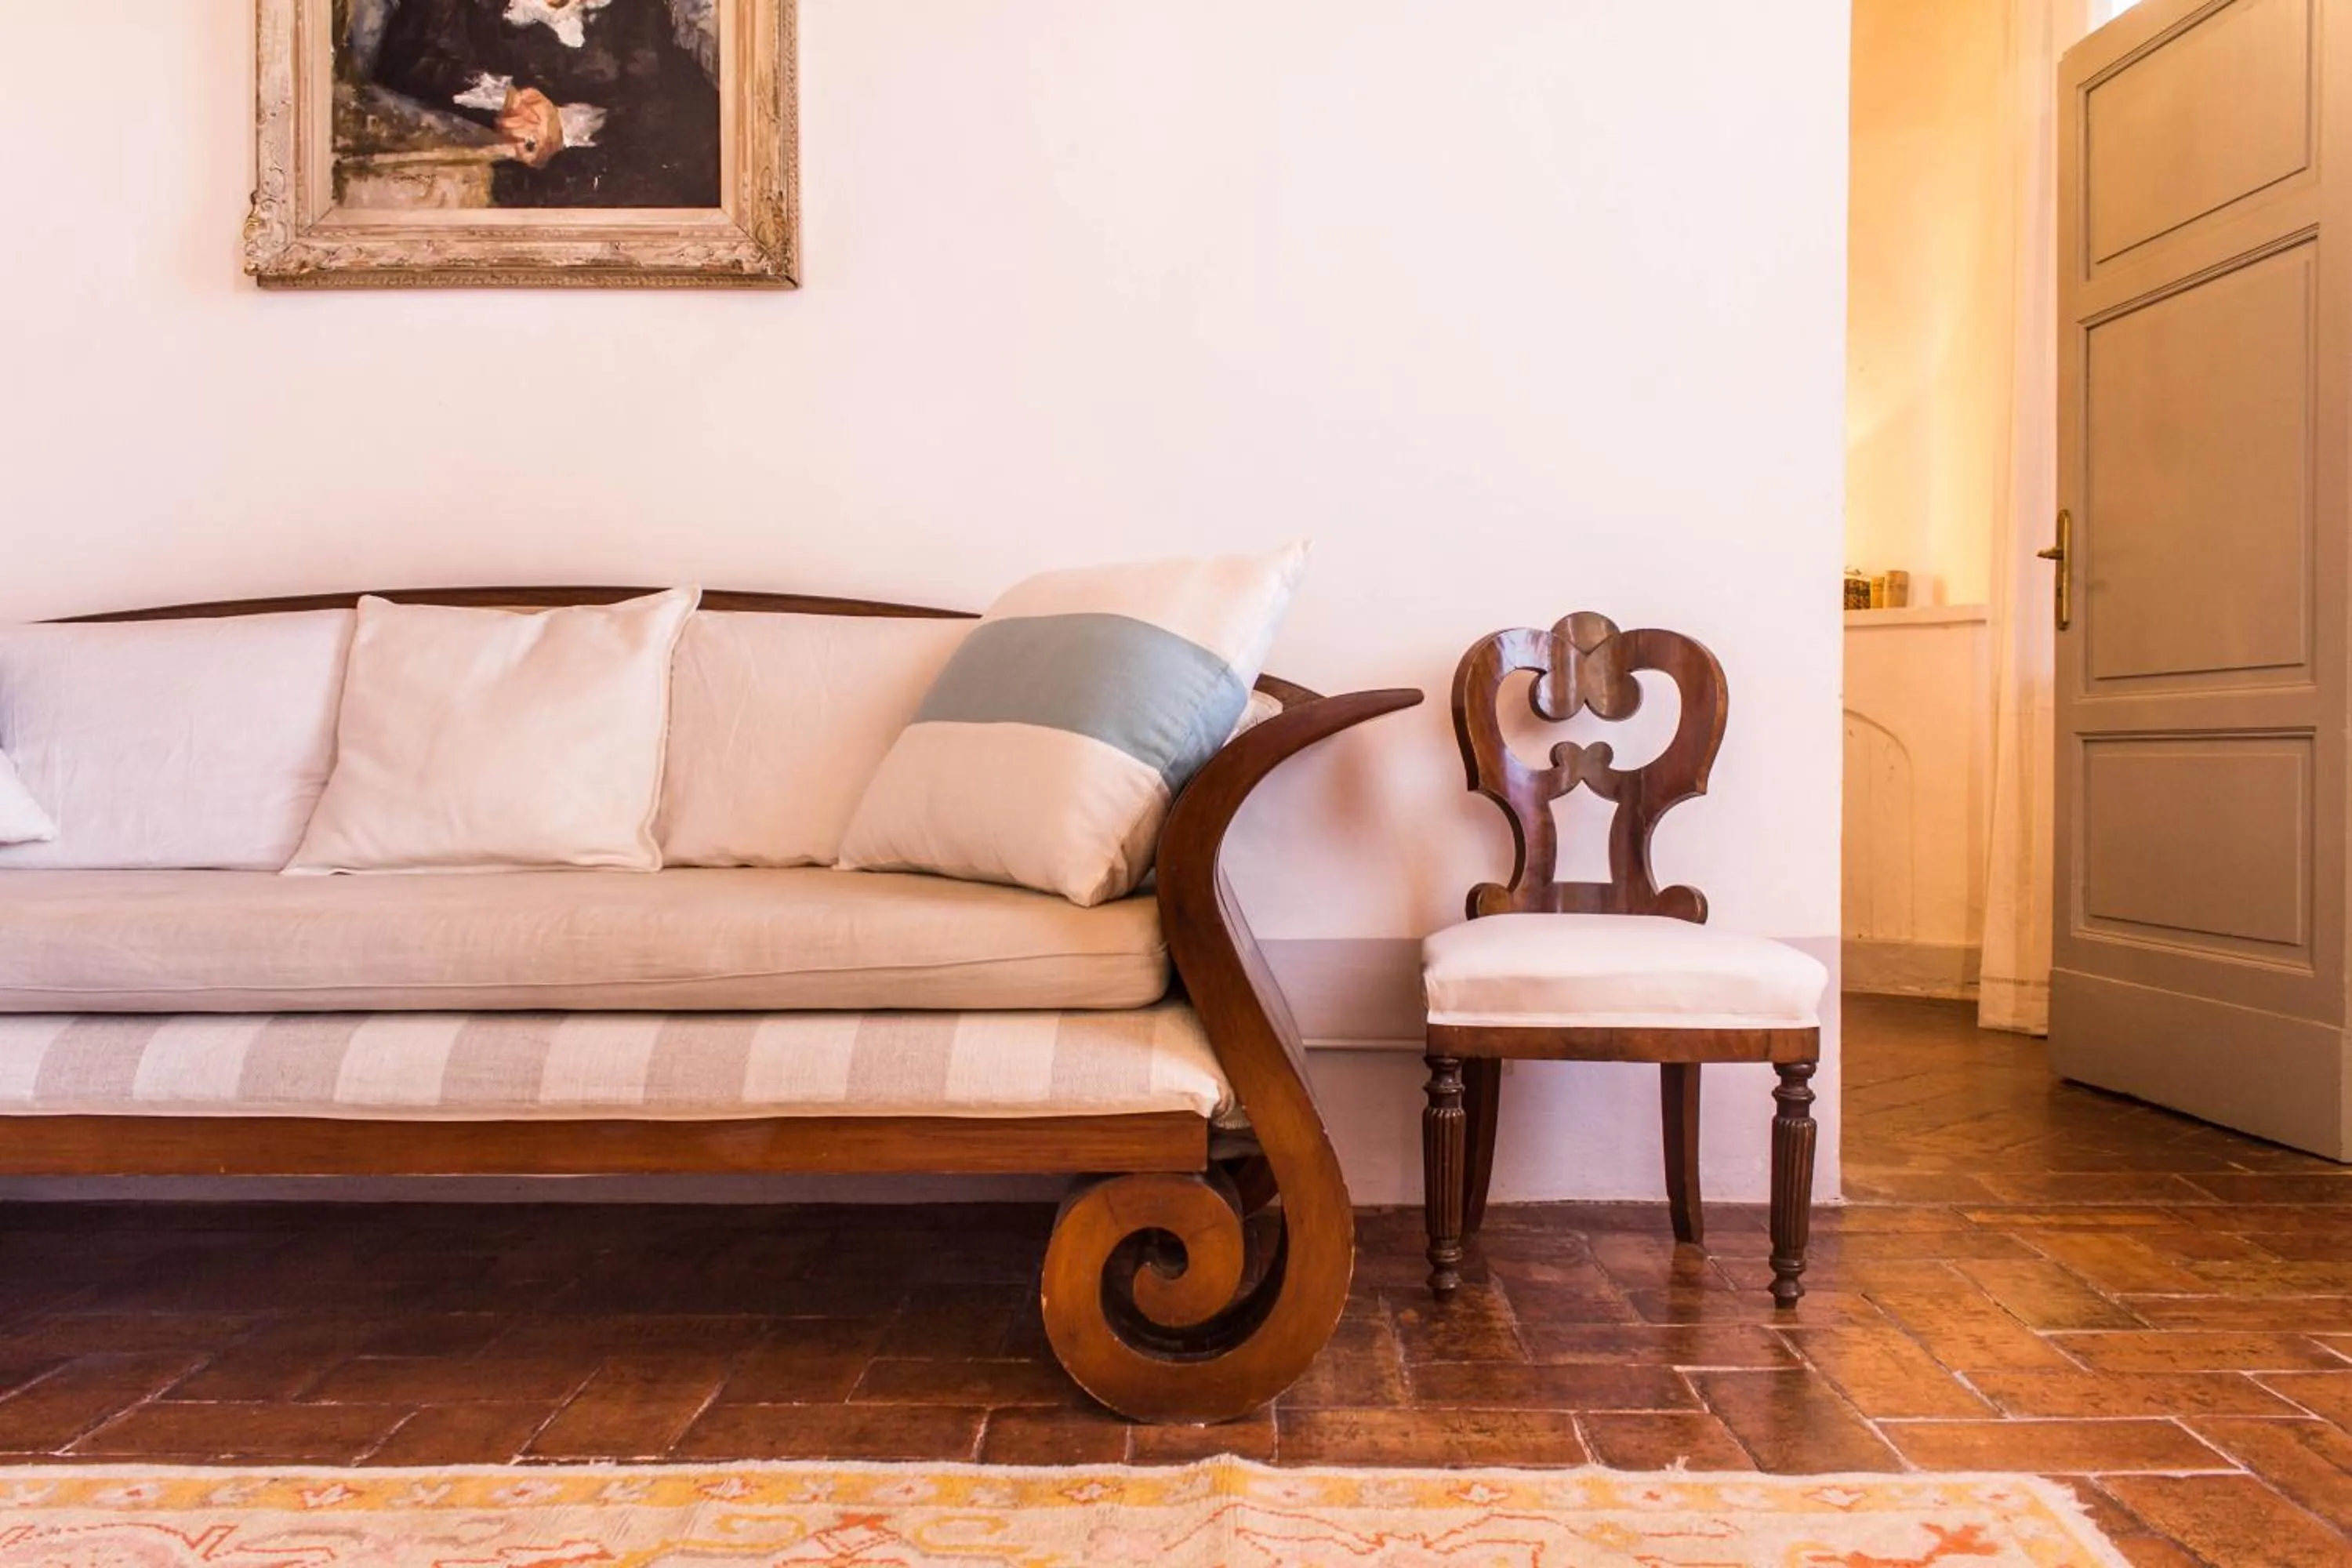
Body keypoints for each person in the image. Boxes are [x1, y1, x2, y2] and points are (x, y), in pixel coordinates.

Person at [368, 0, 720, 209]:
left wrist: (568, 126)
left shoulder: (634, 9)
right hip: (520, 190)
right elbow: (404, 56)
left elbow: (676, 98)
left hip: (634, 183)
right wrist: (507, 100)